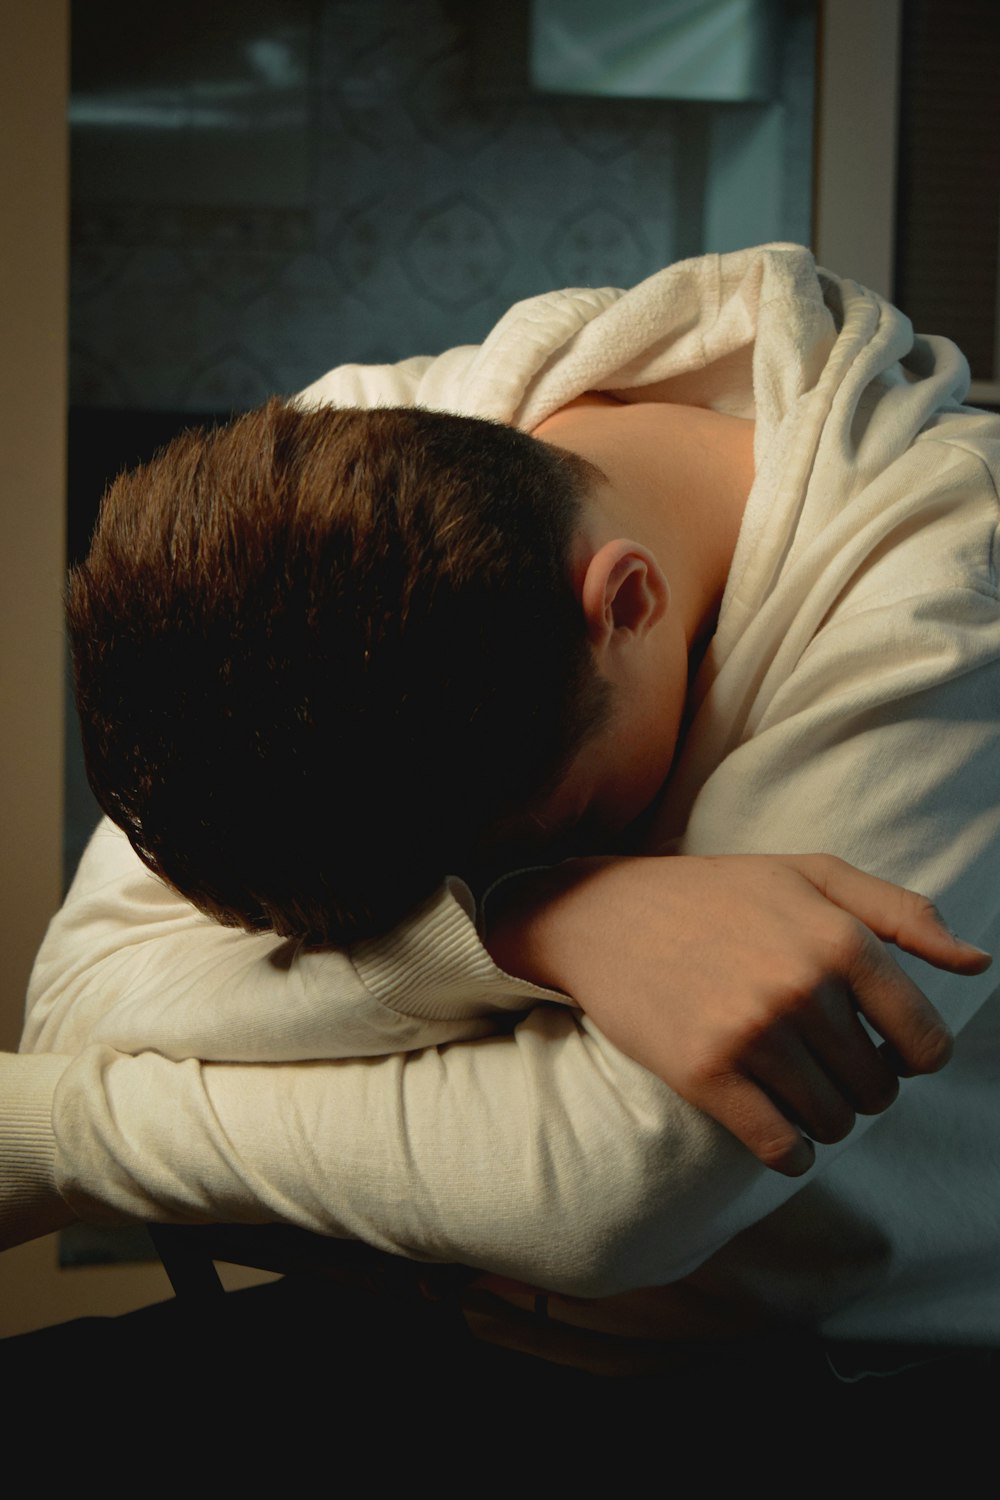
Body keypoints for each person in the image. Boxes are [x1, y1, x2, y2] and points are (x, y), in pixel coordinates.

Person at [3, 244, 1000, 1362]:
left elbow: (607, 1192)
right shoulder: (340, 457)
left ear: (626, 602)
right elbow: (85, 1004)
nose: (454, 897)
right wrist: (528, 923)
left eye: (562, 828)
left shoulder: (945, 589)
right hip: (419, 1313)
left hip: (794, 1375)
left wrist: (64, 1134)